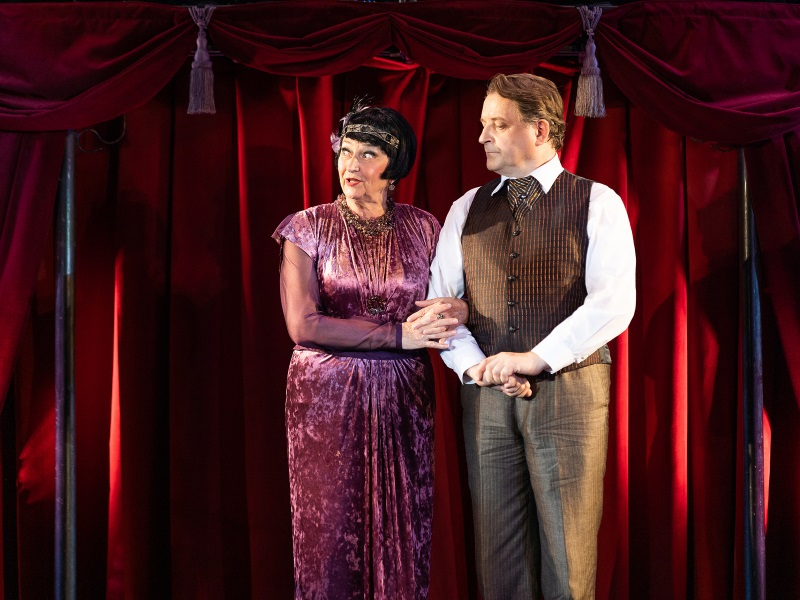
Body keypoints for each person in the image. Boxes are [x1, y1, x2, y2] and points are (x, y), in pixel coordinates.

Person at [273, 101, 517, 600]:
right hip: (327, 397)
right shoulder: (307, 226)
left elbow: (453, 299)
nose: (351, 165)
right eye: (346, 151)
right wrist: (396, 336)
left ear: (394, 166)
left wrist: (462, 310)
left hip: (404, 393)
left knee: (402, 524)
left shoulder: (424, 227)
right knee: (331, 530)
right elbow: (302, 324)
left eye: (368, 155)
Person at [411, 73, 636, 599]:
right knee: (499, 558)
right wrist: (478, 367)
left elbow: (613, 303)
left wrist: (534, 358)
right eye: (482, 124)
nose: (482, 136)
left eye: (498, 124)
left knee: (567, 555)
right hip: (487, 398)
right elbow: (441, 305)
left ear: (539, 130)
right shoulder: (466, 207)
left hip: (570, 394)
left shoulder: (596, 201)